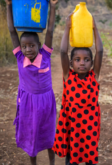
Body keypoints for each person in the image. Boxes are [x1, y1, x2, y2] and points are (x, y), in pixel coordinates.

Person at [5, 0, 58, 164]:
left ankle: (52, 162)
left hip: (46, 102)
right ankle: (33, 163)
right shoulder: (20, 58)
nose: (28, 49)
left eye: (32, 46)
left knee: (49, 134)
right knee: (31, 135)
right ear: (20, 48)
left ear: (39, 46)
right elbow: (12, 32)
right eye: (24, 46)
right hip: (28, 104)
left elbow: (49, 30)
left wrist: (53, 6)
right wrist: (8, 5)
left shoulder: (46, 56)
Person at [52, 12, 103, 165]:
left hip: (90, 123)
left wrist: (95, 28)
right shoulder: (69, 76)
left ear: (92, 63)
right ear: (71, 62)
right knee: (71, 157)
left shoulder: (94, 77)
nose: (82, 63)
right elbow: (62, 51)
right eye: (77, 60)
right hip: (72, 123)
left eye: (87, 60)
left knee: (90, 154)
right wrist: (67, 28)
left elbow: (100, 51)